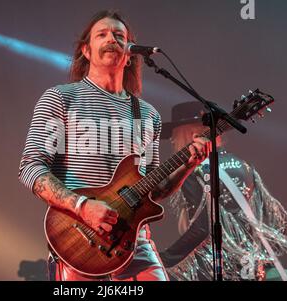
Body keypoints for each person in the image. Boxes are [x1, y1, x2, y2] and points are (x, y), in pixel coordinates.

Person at [18, 10, 211, 281]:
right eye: (102, 34)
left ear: (130, 52)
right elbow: (31, 167)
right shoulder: (60, 99)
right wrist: (84, 206)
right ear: (86, 50)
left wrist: (189, 164)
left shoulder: (147, 114)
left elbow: (154, 190)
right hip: (79, 238)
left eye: (119, 36)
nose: (112, 39)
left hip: (134, 243)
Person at [158, 101, 287, 281]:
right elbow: (275, 224)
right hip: (253, 269)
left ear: (193, 135)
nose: (173, 143)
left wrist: (164, 258)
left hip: (217, 269)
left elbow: (202, 228)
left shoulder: (193, 171)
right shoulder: (246, 167)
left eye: (175, 137)